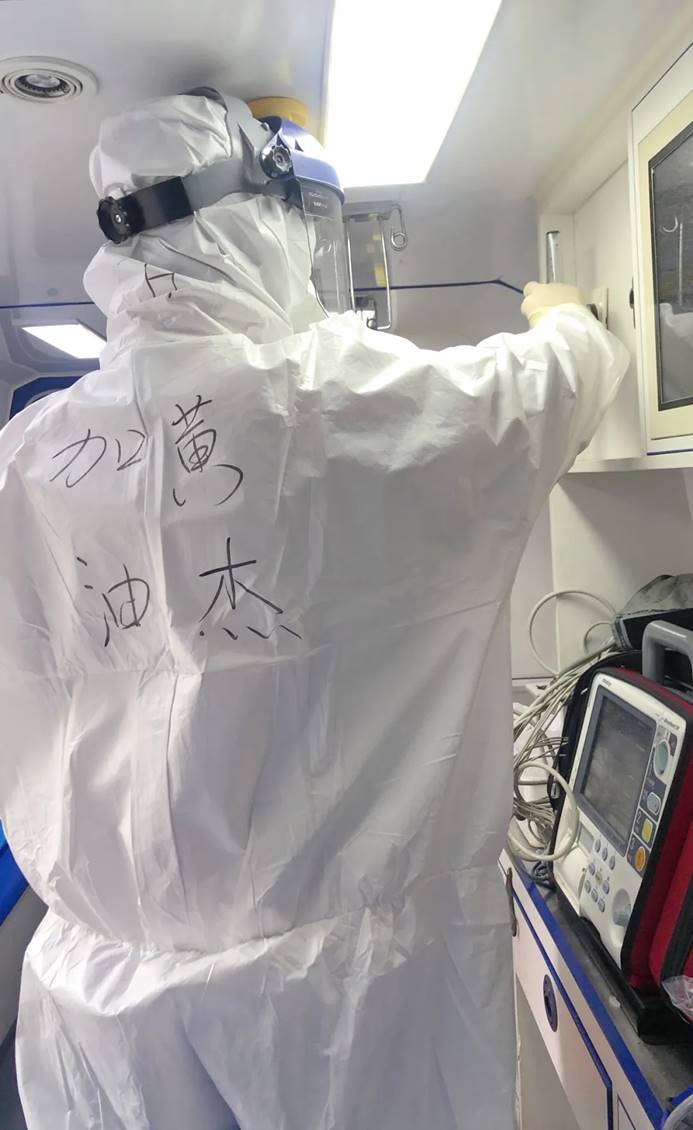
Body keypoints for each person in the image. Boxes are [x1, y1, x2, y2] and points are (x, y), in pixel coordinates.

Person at [0, 90, 628, 1130]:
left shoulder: (26, 459)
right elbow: (549, 386)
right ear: (258, 219)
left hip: (105, 1013)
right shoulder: (339, 400)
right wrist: (564, 314)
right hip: (338, 1014)